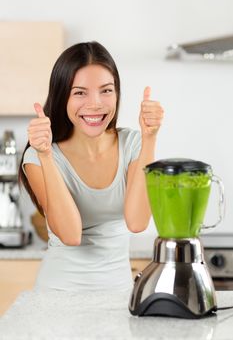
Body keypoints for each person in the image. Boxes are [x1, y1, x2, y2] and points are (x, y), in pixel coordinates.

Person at [18, 41, 164, 292]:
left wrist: (150, 138)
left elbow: (138, 222)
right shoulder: (39, 156)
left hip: (118, 295)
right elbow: (71, 234)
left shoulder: (132, 143)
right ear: (62, 95)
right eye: (80, 92)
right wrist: (45, 155)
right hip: (58, 294)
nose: (95, 104)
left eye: (106, 90)